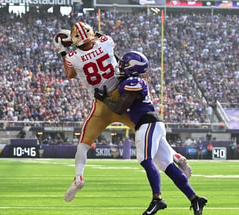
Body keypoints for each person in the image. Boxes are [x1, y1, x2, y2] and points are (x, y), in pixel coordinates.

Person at [53, 22, 191, 202]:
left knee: (83, 144)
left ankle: (78, 177)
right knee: (147, 130)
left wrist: (62, 51)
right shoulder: (106, 42)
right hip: (122, 97)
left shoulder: (73, 56)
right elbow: (107, 48)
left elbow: (70, 73)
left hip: (101, 103)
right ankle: (176, 156)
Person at [94, 51, 207, 215]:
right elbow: (122, 69)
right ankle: (195, 199)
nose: (120, 66)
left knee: (145, 159)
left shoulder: (133, 81)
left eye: (124, 64)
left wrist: (104, 99)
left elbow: (120, 109)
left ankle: (157, 199)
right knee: (167, 166)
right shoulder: (132, 79)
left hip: (148, 123)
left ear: (132, 68)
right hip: (152, 124)